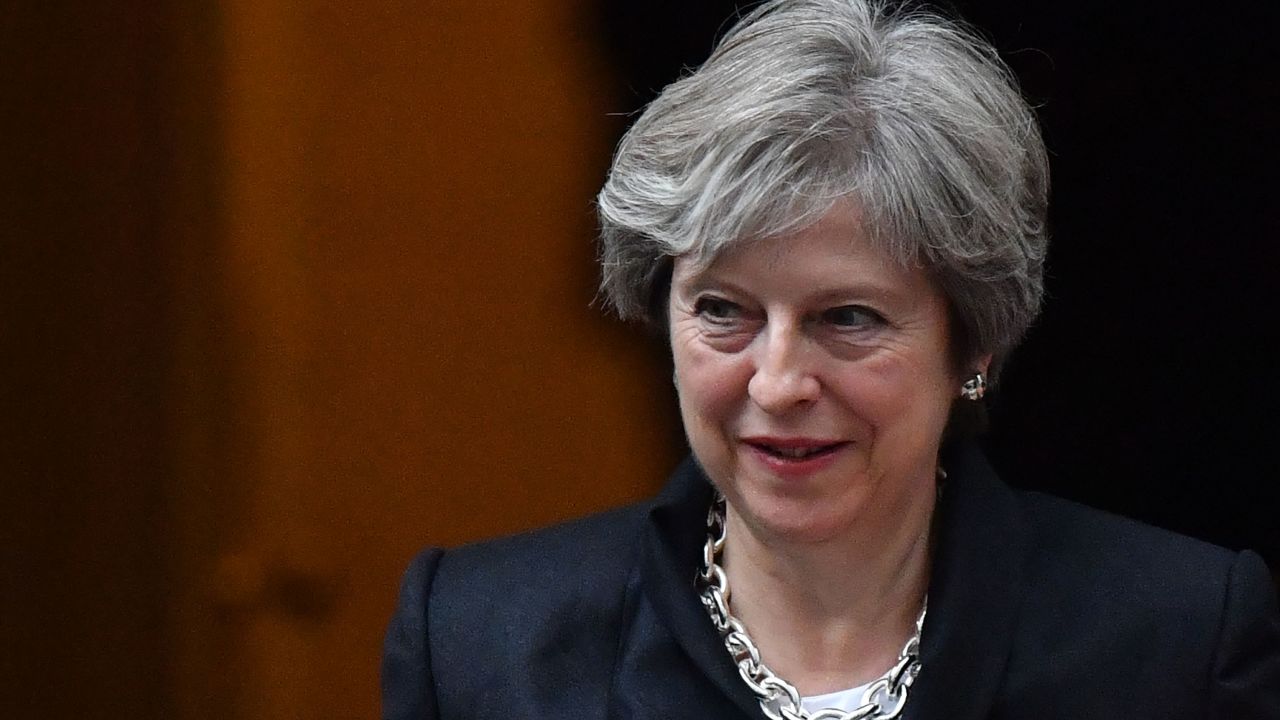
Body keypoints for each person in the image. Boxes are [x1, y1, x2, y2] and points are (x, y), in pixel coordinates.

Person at [382, 0, 1280, 717]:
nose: (776, 383)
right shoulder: (482, 644)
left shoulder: (1176, 640)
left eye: (846, 318)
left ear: (974, 337)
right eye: (723, 312)